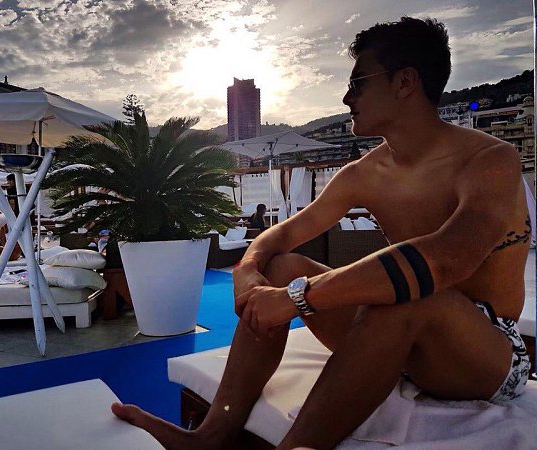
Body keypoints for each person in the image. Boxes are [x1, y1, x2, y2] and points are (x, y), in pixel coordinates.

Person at [111, 17, 531, 449]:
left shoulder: (489, 160)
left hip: (485, 353)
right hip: (405, 345)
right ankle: (213, 434)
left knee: (407, 294)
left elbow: (446, 259)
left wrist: (296, 298)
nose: (347, 98)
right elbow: (279, 236)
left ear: (405, 82)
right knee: (281, 267)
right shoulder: (364, 174)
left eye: (359, 83)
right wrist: (250, 269)